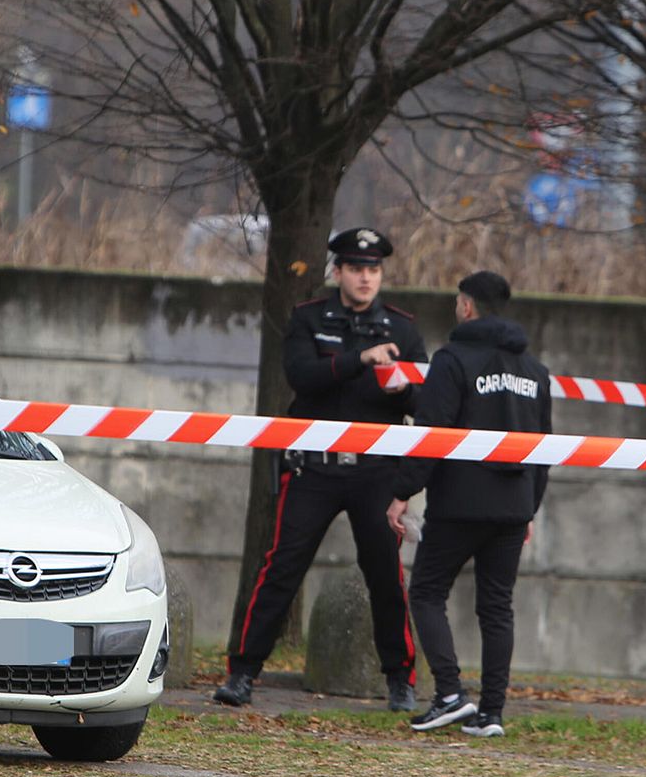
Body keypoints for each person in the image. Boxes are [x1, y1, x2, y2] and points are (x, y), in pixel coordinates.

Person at [214, 227, 428, 711]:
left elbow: (427, 400)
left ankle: (400, 680)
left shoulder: (403, 329)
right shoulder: (310, 318)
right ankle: (242, 673)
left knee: (385, 576)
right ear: (338, 272)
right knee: (282, 569)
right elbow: (302, 378)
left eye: (373, 269)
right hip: (315, 469)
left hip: (376, 472)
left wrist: (404, 391)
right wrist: (360, 360)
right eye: (356, 268)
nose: (366, 278)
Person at [385, 270, 552, 738]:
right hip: (513, 507)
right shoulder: (534, 371)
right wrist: (530, 509)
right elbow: (546, 449)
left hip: (459, 504)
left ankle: (450, 695)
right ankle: (492, 713)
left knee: (426, 592)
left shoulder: (453, 360)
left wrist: (402, 492)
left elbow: (432, 433)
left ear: (466, 306)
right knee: (497, 608)